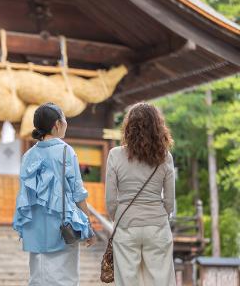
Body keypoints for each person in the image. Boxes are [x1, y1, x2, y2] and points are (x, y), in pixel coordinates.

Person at [13, 102, 96, 286]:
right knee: (64, 278)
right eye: (65, 119)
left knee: (38, 277)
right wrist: (88, 226)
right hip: (61, 227)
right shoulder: (66, 151)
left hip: (35, 226)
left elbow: (24, 194)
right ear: (57, 124)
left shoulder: (28, 155)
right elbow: (78, 194)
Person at [105, 102, 176, 286]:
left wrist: (119, 216)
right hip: (157, 225)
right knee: (160, 280)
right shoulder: (165, 157)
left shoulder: (115, 155)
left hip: (127, 224)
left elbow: (111, 200)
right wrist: (160, 214)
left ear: (129, 127)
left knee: (128, 281)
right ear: (157, 127)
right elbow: (169, 201)